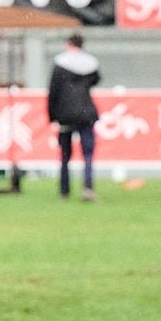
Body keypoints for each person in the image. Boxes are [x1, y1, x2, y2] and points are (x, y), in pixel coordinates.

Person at [48, 33, 101, 202]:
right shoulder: (90, 64)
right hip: (86, 112)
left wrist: (52, 115)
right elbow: (96, 80)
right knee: (87, 153)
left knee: (65, 154)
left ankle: (64, 191)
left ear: (68, 44)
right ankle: (88, 187)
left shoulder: (60, 64)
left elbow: (53, 91)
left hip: (65, 114)